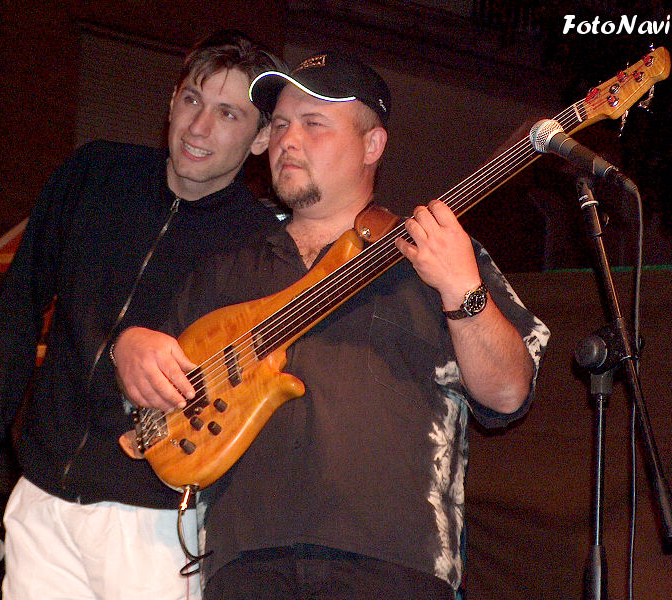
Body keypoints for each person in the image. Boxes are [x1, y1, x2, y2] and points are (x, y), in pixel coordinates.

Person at [112, 51, 550, 599]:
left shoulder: (438, 251)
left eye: (314, 124)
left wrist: (464, 291)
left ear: (372, 145)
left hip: (391, 565)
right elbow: (150, 408)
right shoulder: (224, 271)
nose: (288, 141)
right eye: (279, 125)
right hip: (243, 564)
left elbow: (508, 392)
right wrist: (130, 351)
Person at [0, 30, 285, 600]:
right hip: (42, 495)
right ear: (171, 101)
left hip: (158, 525)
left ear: (262, 138)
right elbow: (16, 309)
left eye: (228, 114)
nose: (199, 127)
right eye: (192, 100)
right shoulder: (95, 175)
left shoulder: (259, 248)